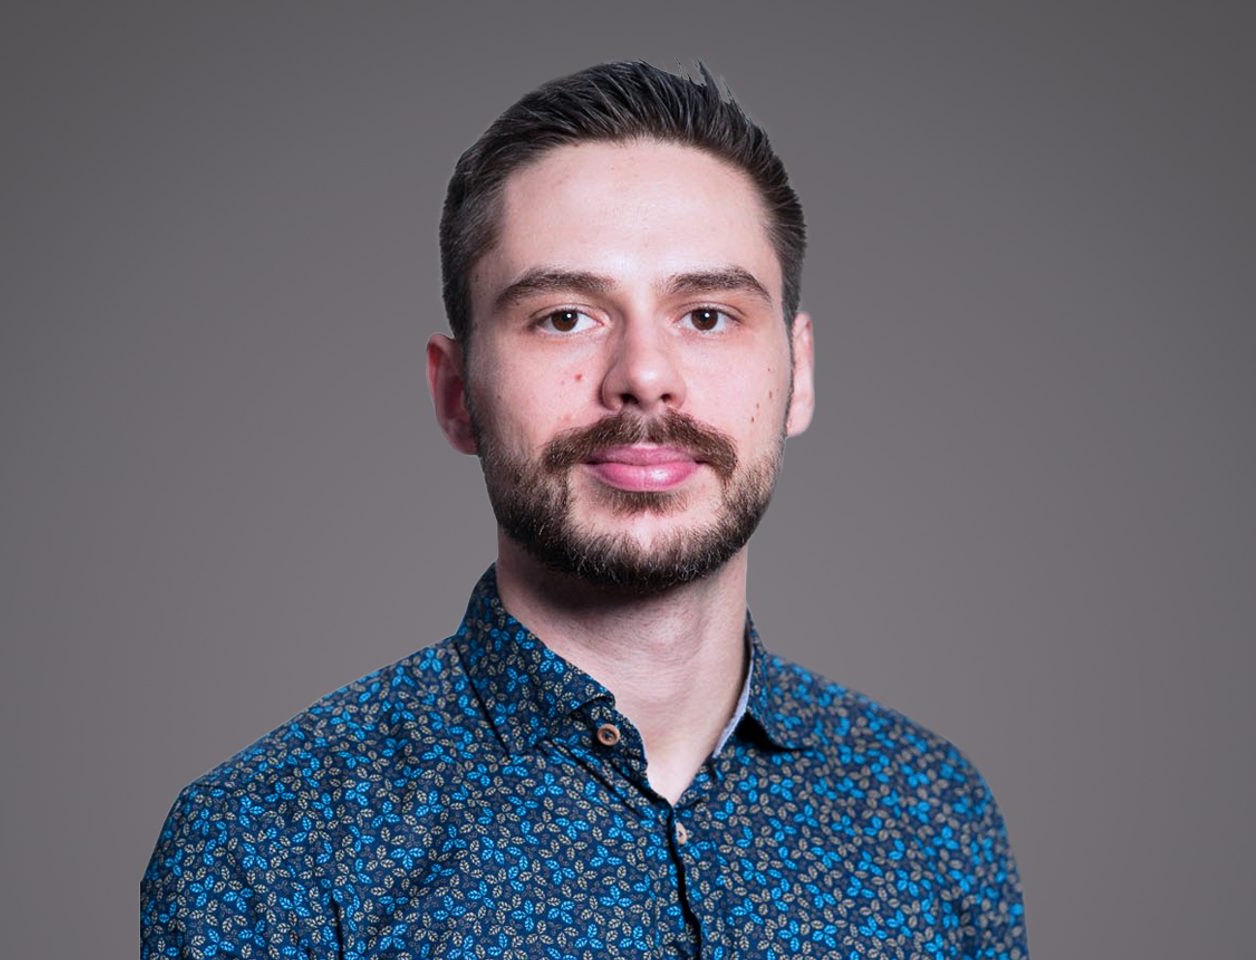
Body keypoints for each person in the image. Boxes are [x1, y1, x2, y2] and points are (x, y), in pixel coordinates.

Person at [141, 61, 1028, 959]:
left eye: (710, 315)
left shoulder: (931, 815)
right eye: (565, 316)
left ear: (797, 374)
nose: (644, 374)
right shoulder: (269, 847)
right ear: (458, 395)